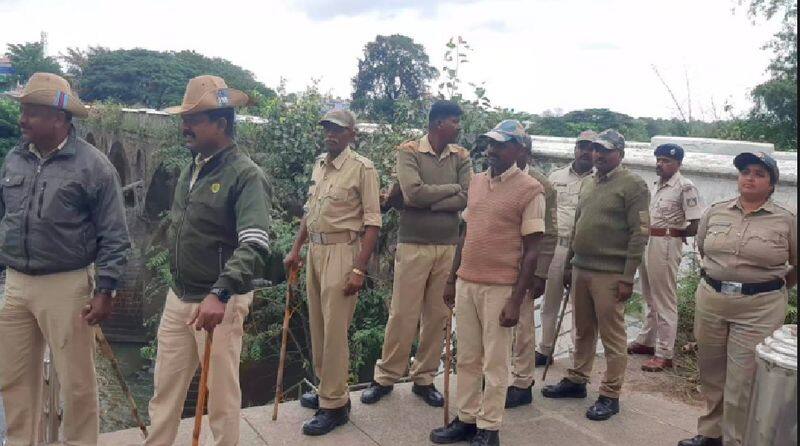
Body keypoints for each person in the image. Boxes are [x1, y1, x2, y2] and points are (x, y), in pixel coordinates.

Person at [0, 72, 130, 445]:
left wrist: (106, 289)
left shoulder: (94, 166)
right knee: (14, 378)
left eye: (31, 112)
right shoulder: (14, 159)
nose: (22, 119)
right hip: (17, 283)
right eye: (23, 111)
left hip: (67, 285)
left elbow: (115, 234)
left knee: (76, 383)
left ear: (59, 118)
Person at [146, 75, 271, 445]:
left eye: (194, 120)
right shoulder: (191, 168)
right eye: (184, 119)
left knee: (220, 397)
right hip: (178, 296)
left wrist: (221, 292)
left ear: (221, 124)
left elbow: (255, 243)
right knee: (164, 391)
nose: (185, 127)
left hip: (218, 301)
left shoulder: (246, 175)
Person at [430, 120, 545, 446]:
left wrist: (515, 300)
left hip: (501, 288)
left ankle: (489, 428)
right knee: (466, 357)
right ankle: (466, 419)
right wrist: (452, 278)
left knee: (496, 363)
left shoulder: (530, 189)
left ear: (520, 150)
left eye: (500, 144)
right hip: (468, 282)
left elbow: (533, 250)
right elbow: (466, 233)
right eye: (489, 144)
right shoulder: (477, 181)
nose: (491, 150)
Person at [678, 152, 796, 446]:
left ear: (771, 184)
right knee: (711, 371)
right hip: (713, 300)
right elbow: (704, 251)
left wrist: (767, 287)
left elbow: (797, 264)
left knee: (742, 380)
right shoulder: (715, 212)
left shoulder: (786, 220)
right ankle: (710, 433)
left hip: (758, 309)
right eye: (745, 171)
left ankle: (736, 439)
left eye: (759, 173)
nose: (750, 177)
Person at [363, 100, 472, 407]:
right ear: (438, 123)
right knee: (402, 313)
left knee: (437, 315)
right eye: (454, 121)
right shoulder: (408, 151)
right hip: (412, 243)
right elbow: (412, 193)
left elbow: (467, 196)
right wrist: (448, 192)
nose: (459, 126)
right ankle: (385, 377)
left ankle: (424, 378)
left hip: (448, 246)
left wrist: (430, 200)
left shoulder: (461, 156)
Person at [283, 109, 381, 436]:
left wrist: (358, 268)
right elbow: (311, 213)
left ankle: (335, 406)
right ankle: (330, 390)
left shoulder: (363, 169)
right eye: (327, 128)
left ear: (352, 134)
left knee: (336, 328)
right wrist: (296, 250)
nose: (331, 134)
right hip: (315, 251)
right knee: (319, 326)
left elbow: (372, 224)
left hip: (342, 252)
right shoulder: (319, 164)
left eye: (338, 129)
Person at [542, 129, 650, 422]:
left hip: (611, 273)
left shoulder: (634, 185)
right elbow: (578, 224)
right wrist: (569, 264)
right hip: (581, 267)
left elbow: (639, 234)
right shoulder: (589, 182)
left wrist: (628, 277)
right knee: (582, 328)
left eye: (606, 151)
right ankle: (577, 379)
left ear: (620, 154)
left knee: (612, 335)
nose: (598, 155)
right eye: (596, 150)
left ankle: (610, 394)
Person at [628, 144, 702, 372]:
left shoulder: (685, 186)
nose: (661, 164)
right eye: (658, 160)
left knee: (664, 297)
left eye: (666, 161)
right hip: (649, 240)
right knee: (648, 294)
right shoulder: (657, 185)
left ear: (678, 164)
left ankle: (665, 352)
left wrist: (673, 234)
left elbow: (695, 224)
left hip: (666, 242)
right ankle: (646, 340)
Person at [534, 130, 596, 366]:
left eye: (590, 147)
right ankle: (545, 349)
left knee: (580, 308)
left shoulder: (597, 182)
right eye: (581, 146)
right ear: (575, 148)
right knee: (549, 302)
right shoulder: (556, 176)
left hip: (582, 250)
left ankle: (576, 356)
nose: (585, 151)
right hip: (555, 247)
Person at [505, 134, 557, 409]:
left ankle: (523, 383)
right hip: (498, 263)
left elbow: (549, 233)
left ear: (524, 151)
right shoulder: (495, 177)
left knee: (523, 325)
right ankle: (499, 377)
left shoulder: (541, 185)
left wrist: (540, 274)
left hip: (525, 265)